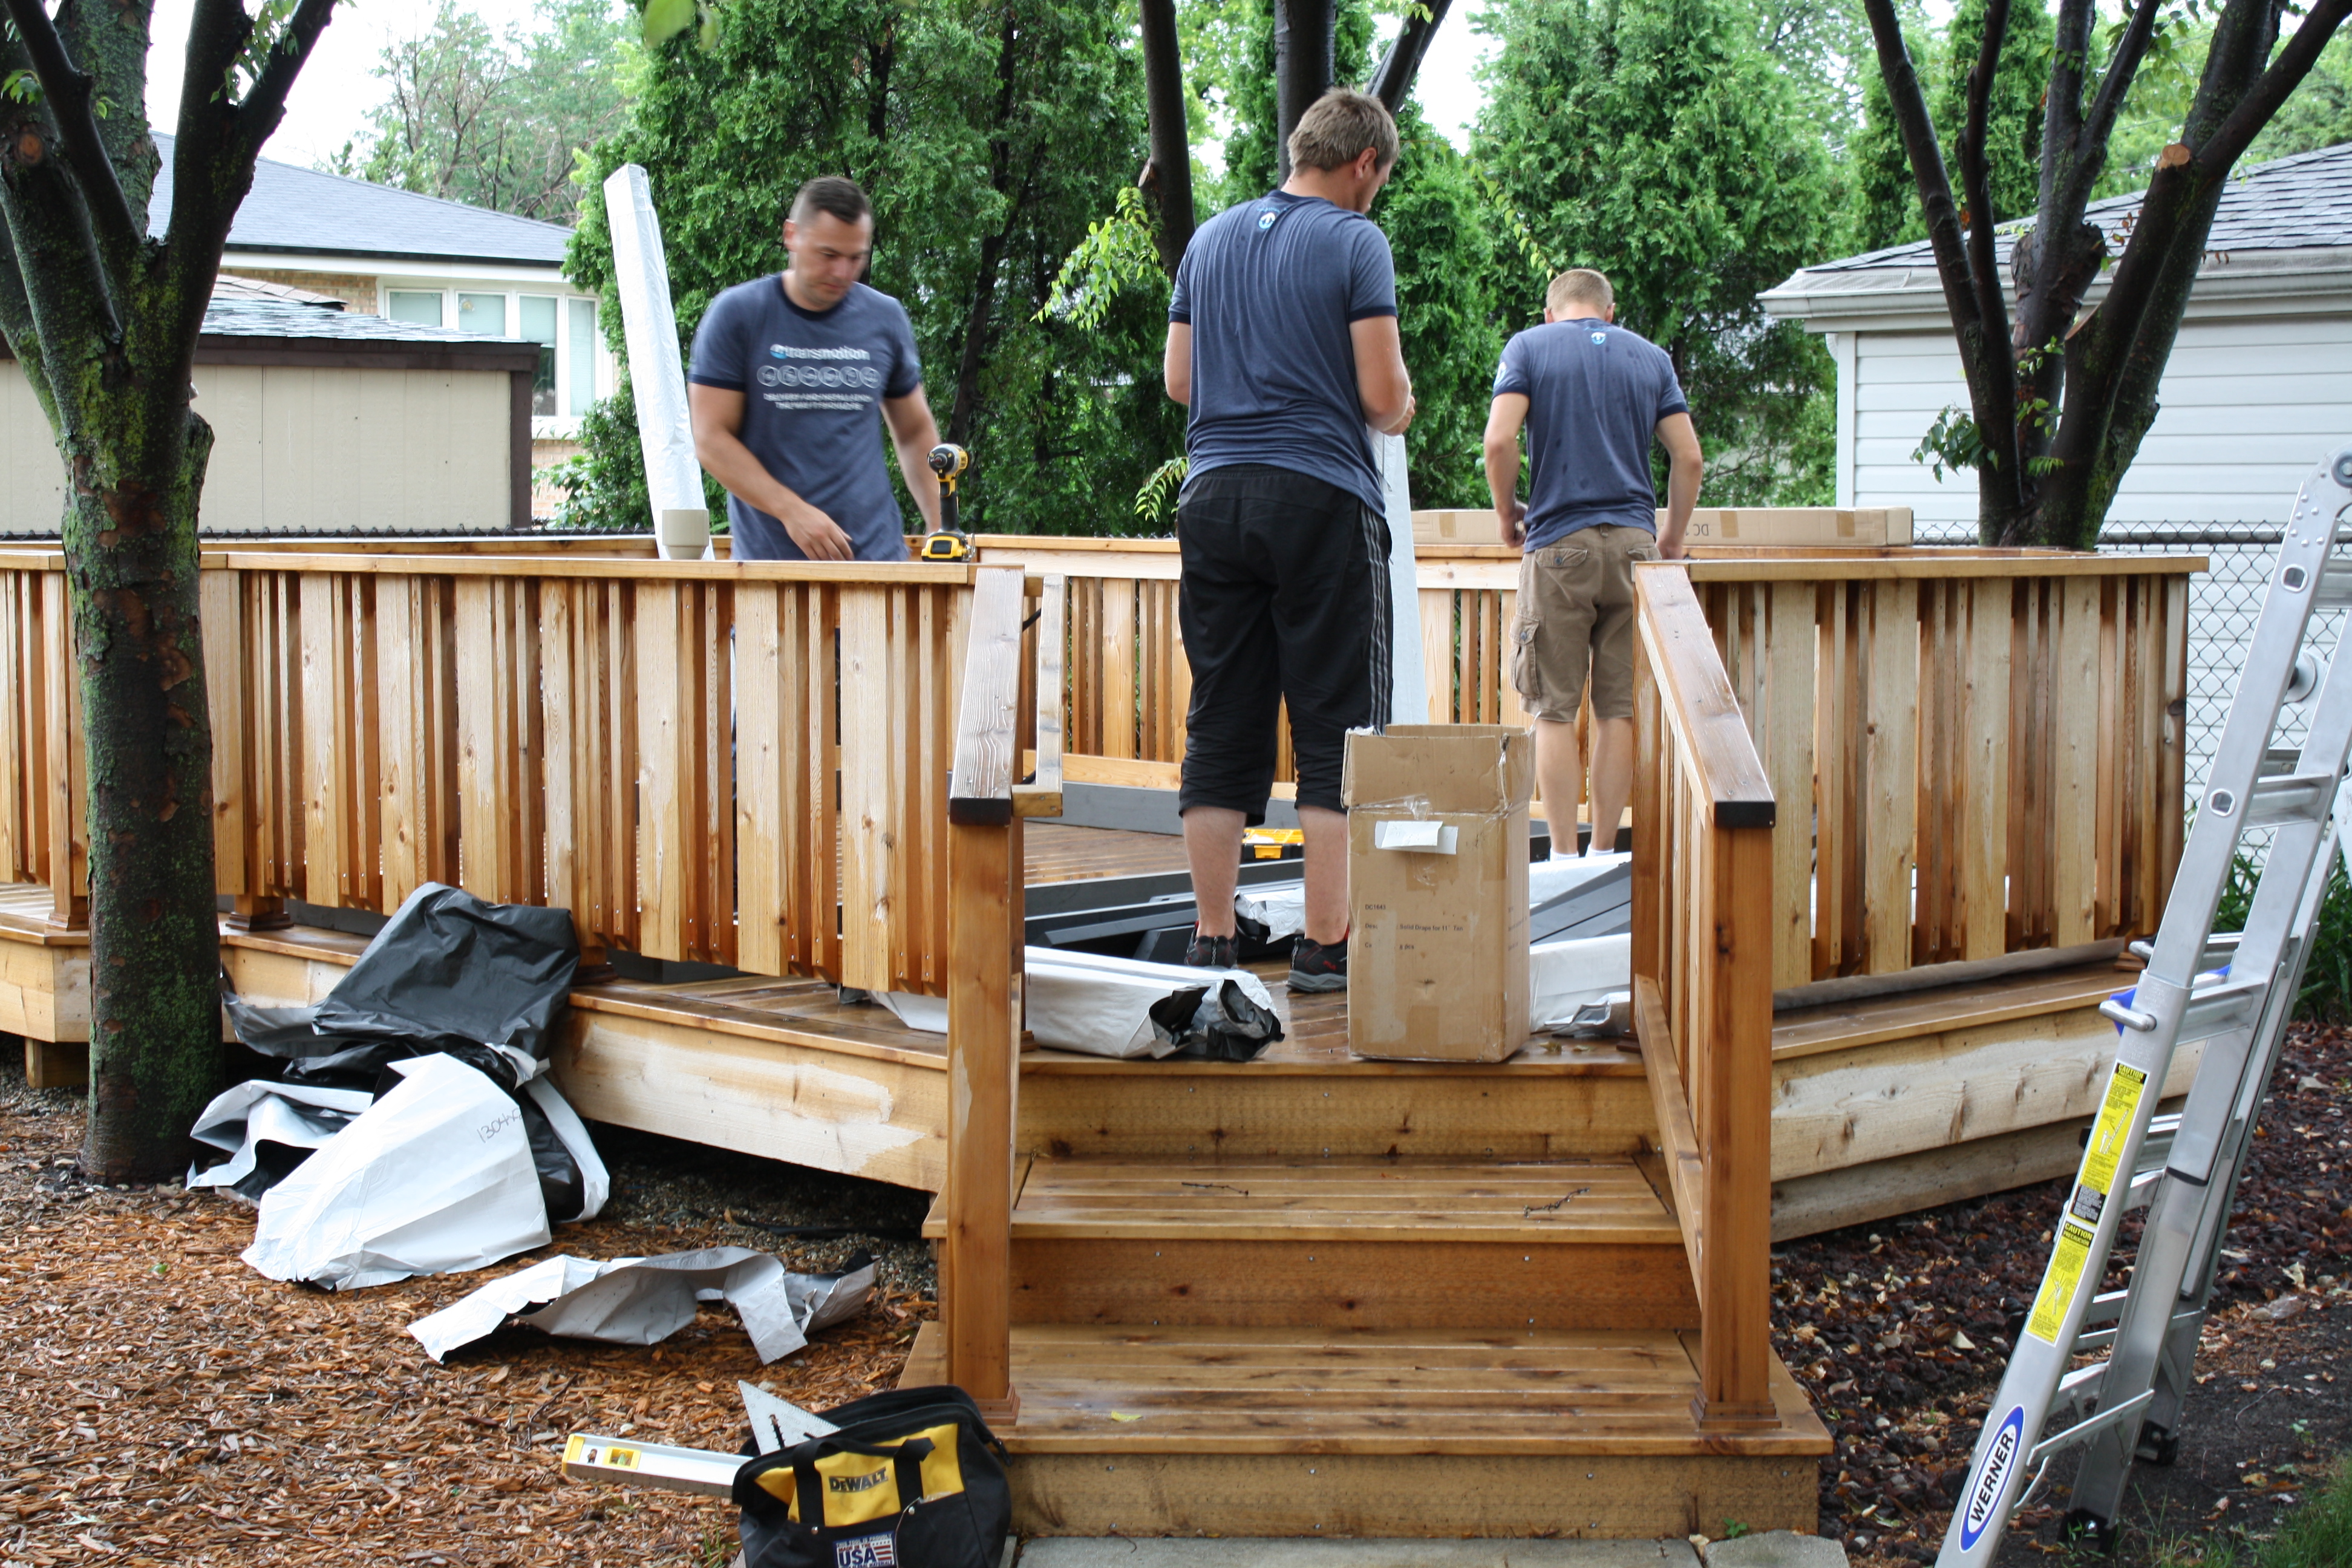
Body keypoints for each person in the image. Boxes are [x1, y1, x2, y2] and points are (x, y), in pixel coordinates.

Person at [1162, 88, 1416, 993]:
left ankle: (1213, 938)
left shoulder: (1211, 241)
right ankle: (1324, 945)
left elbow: (1180, 379)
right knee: (1337, 724)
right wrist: (1402, 402)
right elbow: (1382, 400)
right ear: (1364, 166)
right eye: (1381, 179)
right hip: (1320, 498)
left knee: (1223, 714)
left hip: (1215, 496)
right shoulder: (1356, 242)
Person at [1483, 267, 1702, 857]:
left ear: (1550, 313)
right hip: (1635, 549)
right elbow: (1689, 457)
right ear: (1609, 312)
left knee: (1552, 710)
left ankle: (1561, 855)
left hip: (1559, 546)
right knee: (1617, 712)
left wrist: (1506, 514)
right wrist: (1672, 537)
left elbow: (1499, 442)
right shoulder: (1651, 359)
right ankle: (1604, 852)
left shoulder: (1529, 347)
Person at [687, 177, 941, 561]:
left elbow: (914, 430)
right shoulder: (739, 315)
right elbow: (710, 438)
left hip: (877, 567)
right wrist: (791, 511)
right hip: (773, 575)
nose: (842, 272)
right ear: (792, 236)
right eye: (828, 255)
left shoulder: (884, 318)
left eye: (856, 257)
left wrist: (941, 526)